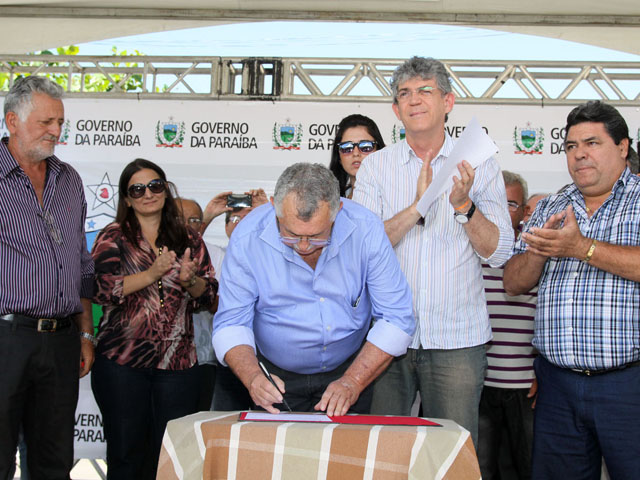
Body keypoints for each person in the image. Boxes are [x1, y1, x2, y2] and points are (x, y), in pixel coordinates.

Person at [353, 56, 513, 446]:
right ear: (395, 109)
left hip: (457, 341)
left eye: (426, 90)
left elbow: (499, 252)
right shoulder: (375, 167)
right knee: (384, 455)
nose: (415, 100)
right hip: (389, 338)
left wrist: (464, 207)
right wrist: (417, 208)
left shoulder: (480, 163)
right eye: (405, 93)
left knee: (453, 455)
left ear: (448, 102)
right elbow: (359, 249)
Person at [503, 101, 640, 480]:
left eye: (592, 142)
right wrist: (540, 252)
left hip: (628, 385)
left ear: (623, 147)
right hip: (558, 386)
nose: (579, 153)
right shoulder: (551, 203)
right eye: (570, 146)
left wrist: (581, 248)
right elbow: (513, 282)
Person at [213, 163, 415, 415]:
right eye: (291, 234)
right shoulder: (247, 237)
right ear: (274, 206)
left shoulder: (366, 230)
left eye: (318, 235)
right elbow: (232, 323)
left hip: (351, 369)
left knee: (345, 453)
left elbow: (396, 318)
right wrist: (253, 377)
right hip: (274, 377)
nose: (304, 246)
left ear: (338, 209)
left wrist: (353, 382)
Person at [91, 159, 217, 480]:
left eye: (155, 186)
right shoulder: (114, 236)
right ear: (126, 198)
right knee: (126, 456)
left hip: (177, 365)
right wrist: (152, 273)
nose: (148, 194)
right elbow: (100, 288)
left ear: (166, 190)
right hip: (122, 363)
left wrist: (191, 281)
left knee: (171, 458)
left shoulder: (188, 238)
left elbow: (211, 297)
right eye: (138, 189)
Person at [0, 76, 95, 480]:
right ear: (12, 122)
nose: (57, 132)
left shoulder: (69, 179)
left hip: (61, 340)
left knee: (54, 462)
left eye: (60, 121)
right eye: (46, 122)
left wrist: (86, 334)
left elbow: (82, 262)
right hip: (6, 337)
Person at [477, 171, 537, 480]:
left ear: (526, 211)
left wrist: (544, 373)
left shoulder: (536, 254)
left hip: (525, 388)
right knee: (481, 469)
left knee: (527, 469)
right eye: (492, 203)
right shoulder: (468, 253)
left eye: (510, 203)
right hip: (480, 385)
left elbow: (549, 318)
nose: (499, 211)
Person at [329, 114, 385, 198]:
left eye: (365, 147)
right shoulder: (331, 200)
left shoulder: (392, 194)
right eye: (346, 147)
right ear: (339, 157)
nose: (356, 153)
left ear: (379, 150)